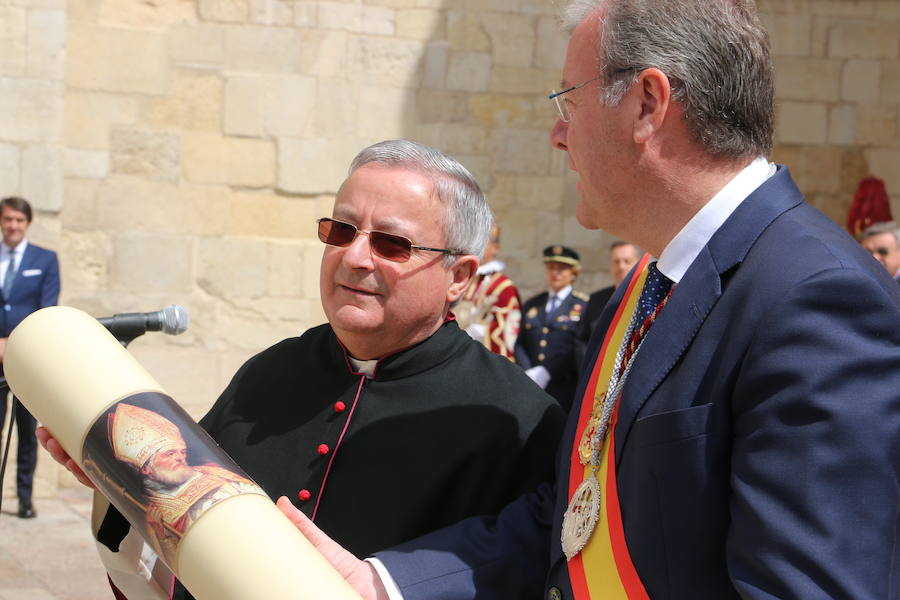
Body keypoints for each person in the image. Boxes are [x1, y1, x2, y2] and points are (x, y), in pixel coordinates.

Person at [279, 2, 900, 599]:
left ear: (648, 105)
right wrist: (385, 584)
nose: (556, 134)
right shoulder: (646, 286)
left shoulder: (815, 297)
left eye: (567, 100)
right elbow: (575, 516)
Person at [40, 140, 565, 600]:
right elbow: (194, 520)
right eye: (341, 230)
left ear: (459, 277)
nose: (355, 256)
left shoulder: (516, 419)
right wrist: (125, 481)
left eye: (390, 243)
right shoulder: (271, 370)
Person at [90, 403, 263, 567]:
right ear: (146, 468)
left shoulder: (213, 472)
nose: (180, 457)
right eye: (170, 453)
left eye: (182, 451)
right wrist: (161, 535)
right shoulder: (154, 510)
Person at [0, 196, 60, 520]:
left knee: (27, 432)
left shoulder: (45, 259)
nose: (13, 226)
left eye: (19, 221)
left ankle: (25, 497)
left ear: (27, 223)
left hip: (26, 361)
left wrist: (14, 343)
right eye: (8, 219)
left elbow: (47, 308)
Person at [515, 245, 588, 411]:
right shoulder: (533, 303)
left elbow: (578, 348)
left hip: (564, 389)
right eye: (551, 268)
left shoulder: (582, 306)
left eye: (561, 269)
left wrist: (547, 371)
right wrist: (528, 372)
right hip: (531, 386)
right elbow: (520, 343)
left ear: (573, 273)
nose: (555, 273)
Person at [454, 223, 522, 360]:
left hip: (481, 359)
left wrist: (479, 331)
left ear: (495, 248)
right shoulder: (462, 278)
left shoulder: (504, 287)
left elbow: (505, 335)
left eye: (483, 242)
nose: (476, 247)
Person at [576, 240, 639, 365]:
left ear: (638, 264)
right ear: (610, 266)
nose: (621, 266)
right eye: (616, 261)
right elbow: (582, 341)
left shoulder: (647, 297)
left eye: (627, 261)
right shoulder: (596, 300)